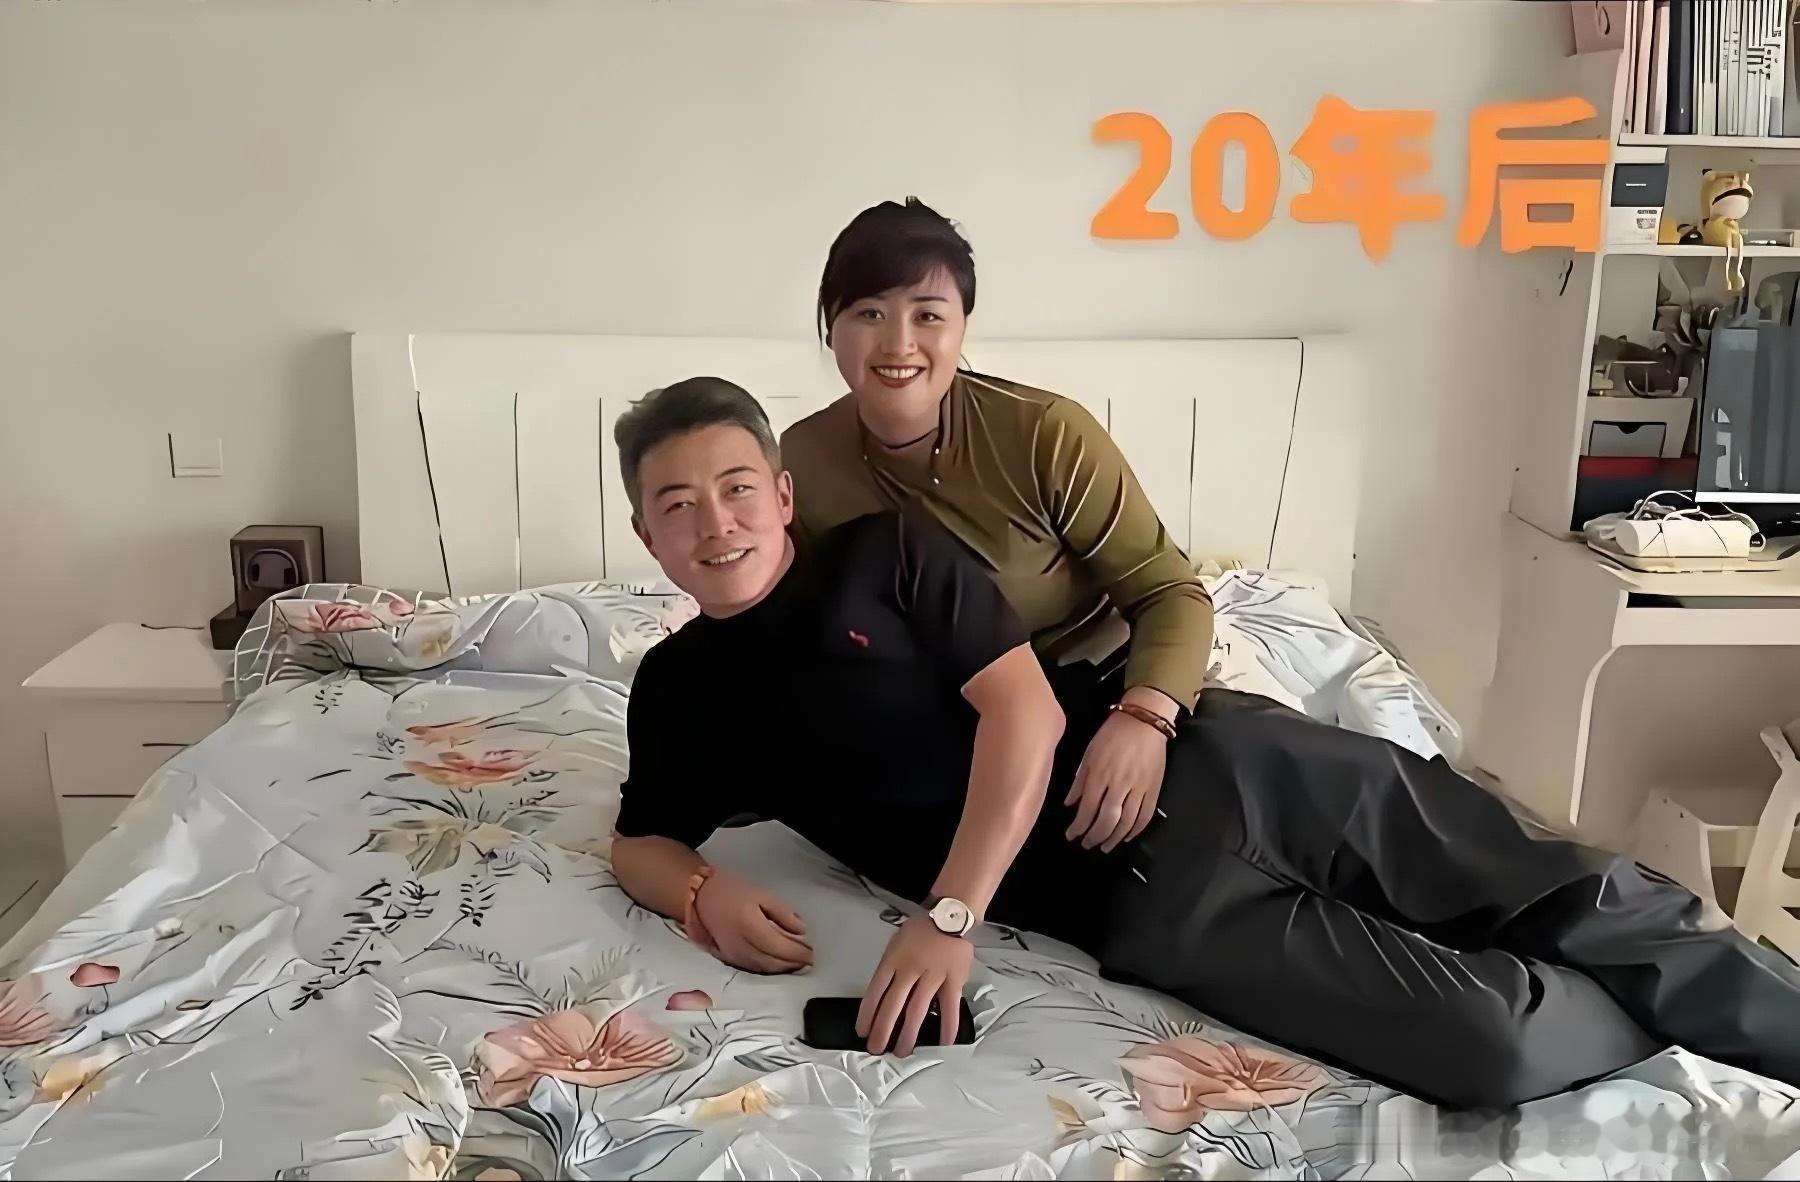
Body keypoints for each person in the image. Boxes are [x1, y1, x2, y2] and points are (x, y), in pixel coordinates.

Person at [608, 376, 1800, 1111]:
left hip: (1225, 762)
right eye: (676, 504)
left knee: (1572, 892)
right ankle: (1661, 1010)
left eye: (735, 487)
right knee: (1491, 1047)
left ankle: (1757, 1018)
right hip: (1146, 903)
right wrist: (704, 893)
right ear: (646, 535)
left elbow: (1024, 713)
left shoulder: (887, 553)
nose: (715, 523)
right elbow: (640, 841)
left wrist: (950, 916)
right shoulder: (679, 689)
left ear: (780, 492)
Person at [781, 197, 1212, 855]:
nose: (898, 344)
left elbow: (1168, 591)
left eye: (928, 315)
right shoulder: (801, 459)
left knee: (1221, 825)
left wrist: (1144, 719)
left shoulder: (1045, 433)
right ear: (830, 326)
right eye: (868, 313)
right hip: (943, 723)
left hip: (1101, 687)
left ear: (962, 327)